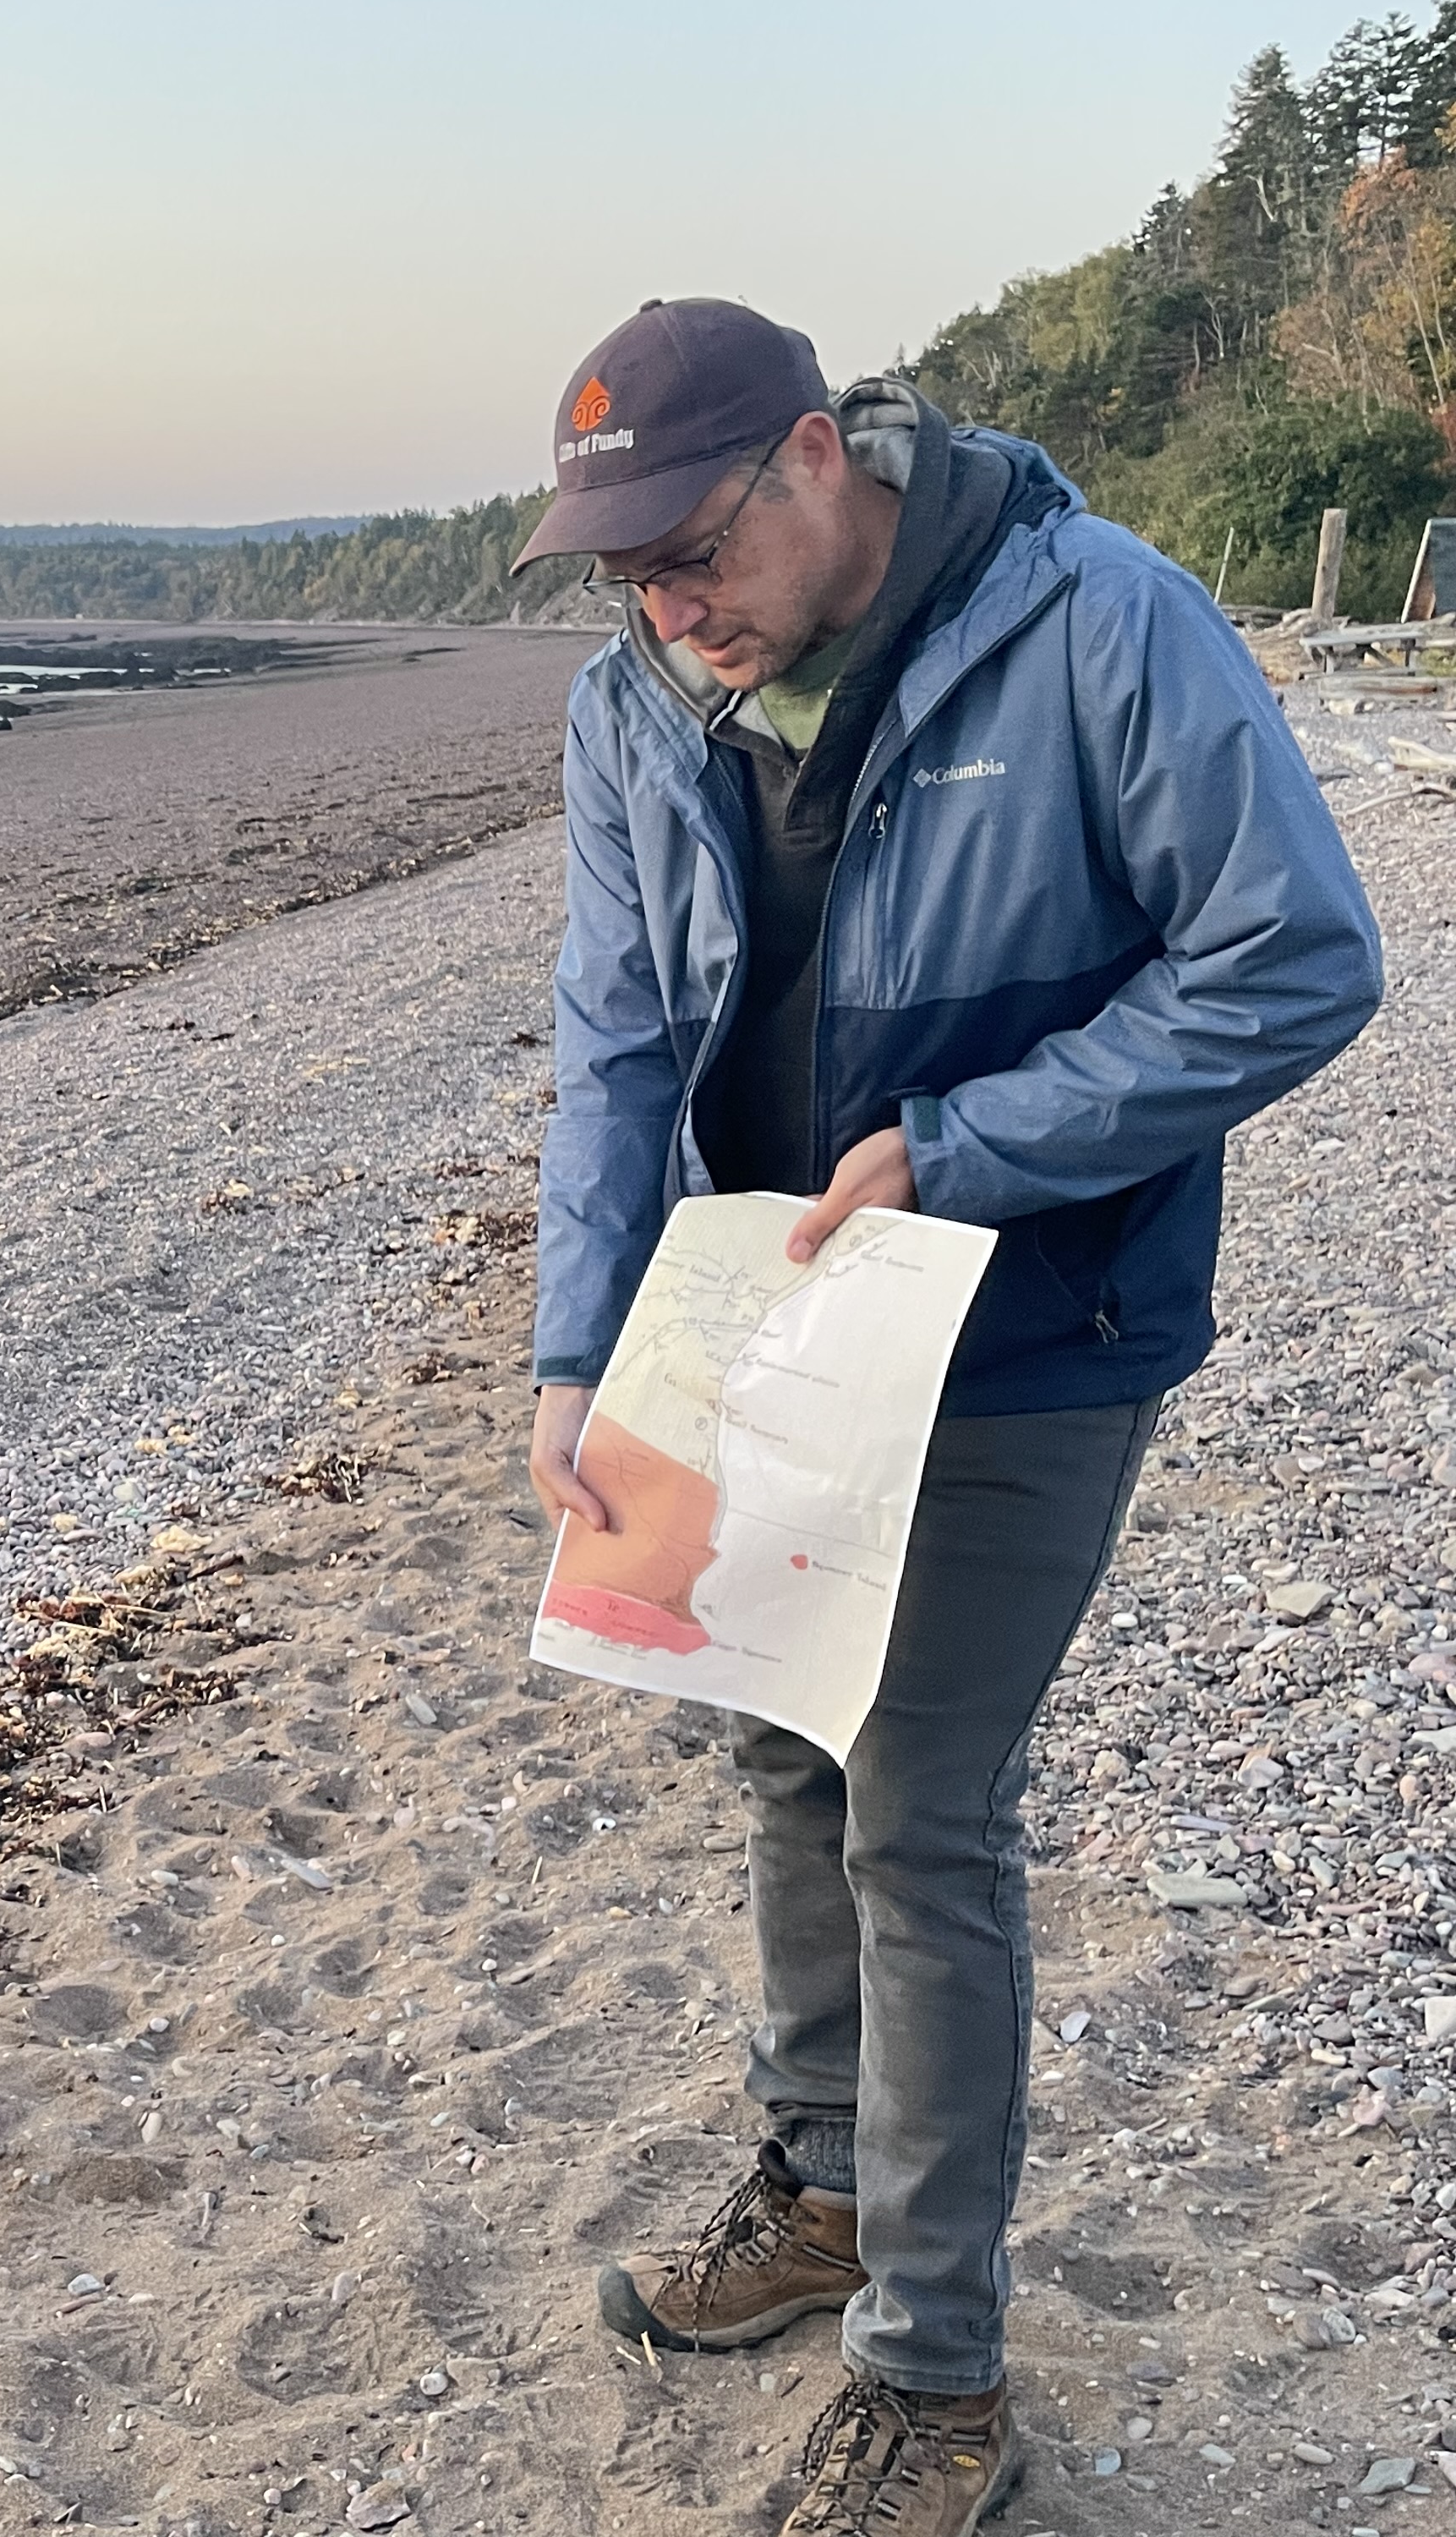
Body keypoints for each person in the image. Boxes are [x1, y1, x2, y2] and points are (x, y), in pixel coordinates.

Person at [516, 299, 1382, 2535]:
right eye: (620, 568)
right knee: (775, 1746)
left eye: (690, 545)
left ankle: (933, 2356)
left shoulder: (1101, 622)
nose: (664, 604)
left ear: (819, 457)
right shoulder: (636, 696)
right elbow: (619, 1038)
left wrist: (976, 1144)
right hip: (756, 1323)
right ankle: (816, 2186)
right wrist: (576, 1348)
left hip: (1034, 1317)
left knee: (918, 1803)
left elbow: (1294, 960)